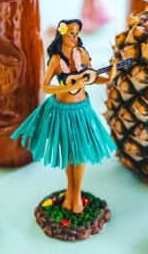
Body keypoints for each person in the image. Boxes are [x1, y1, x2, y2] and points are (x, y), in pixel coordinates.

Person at [11, 19, 116, 214]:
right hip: (60, 110)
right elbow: (45, 86)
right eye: (71, 33)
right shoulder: (56, 61)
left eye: (77, 33)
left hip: (81, 109)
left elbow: (92, 77)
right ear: (62, 35)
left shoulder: (83, 54)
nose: (75, 37)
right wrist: (67, 86)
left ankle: (76, 196)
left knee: (81, 152)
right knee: (68, 153)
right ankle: (70, 191)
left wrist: (109, 76)